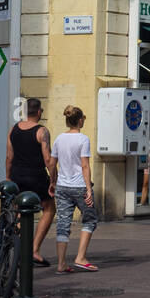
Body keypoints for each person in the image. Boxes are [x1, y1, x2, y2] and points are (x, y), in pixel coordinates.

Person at [7, 98, 54, 266]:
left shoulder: (13, 129)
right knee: (48, 209)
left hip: (17, 176)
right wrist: (53, 180)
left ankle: (20, 252)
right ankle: (34, 250)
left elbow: (9, 158)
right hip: (36, 177)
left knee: (19, 213)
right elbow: (48, 159)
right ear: (39, 112)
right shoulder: (42, 131)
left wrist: (8, 178)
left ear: (25, 111)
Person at [51, 106, 98, 272]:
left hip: (62, 187)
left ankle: (61, 264)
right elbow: (85, 165)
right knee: (90, 219)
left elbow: (51, 163)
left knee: (63, 224)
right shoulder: (83, 139)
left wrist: (52, 181)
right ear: (79, 120)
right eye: (83, 118)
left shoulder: (59, 139)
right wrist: (89, 189)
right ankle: (80, 257)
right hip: (79, 186)